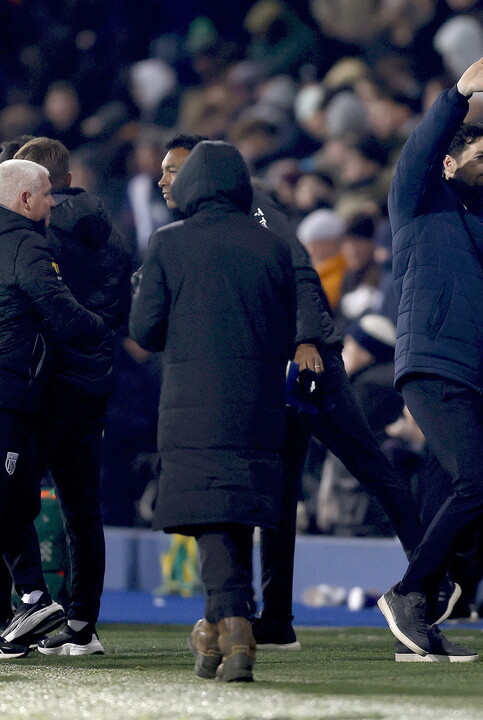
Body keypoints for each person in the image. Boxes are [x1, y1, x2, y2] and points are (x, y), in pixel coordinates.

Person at [156, 135, 425, 652]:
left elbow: (299, 267)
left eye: (173, 169)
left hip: (309, 366)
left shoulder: (254, 209)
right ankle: (275, 619)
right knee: (278, 495)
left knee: (369, 466)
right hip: (271, 373)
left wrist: (306, 338)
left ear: (202, 168)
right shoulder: (199, 227)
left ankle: (432, 572)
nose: (164, 180)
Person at [378, 53, 483, 663]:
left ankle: (427, 598)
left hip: (475, 378)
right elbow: (417, 150)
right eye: (478, 155)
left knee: (473, 490)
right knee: (477, 484)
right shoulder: (418, 203)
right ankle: (412, 591)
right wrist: (457, 97)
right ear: (448, 162)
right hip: (432, 365)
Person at [129, 140, 297, 682]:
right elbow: (285, 325)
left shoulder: (169, 243)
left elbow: (144, 330)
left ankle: (235, 628)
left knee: (213, 513)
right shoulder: (272, 246)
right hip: (259, 400)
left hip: (193, 401)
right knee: (231, 514)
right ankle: (211, 631)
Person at [0, 137, 133, 656]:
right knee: (82, 508)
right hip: (93, 384)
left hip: (41, 385)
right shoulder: (115, 236)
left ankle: (24, 610)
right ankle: (83, 625)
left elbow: (46, 306)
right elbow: (121, 307)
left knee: (12, 502)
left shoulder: (34, 235)